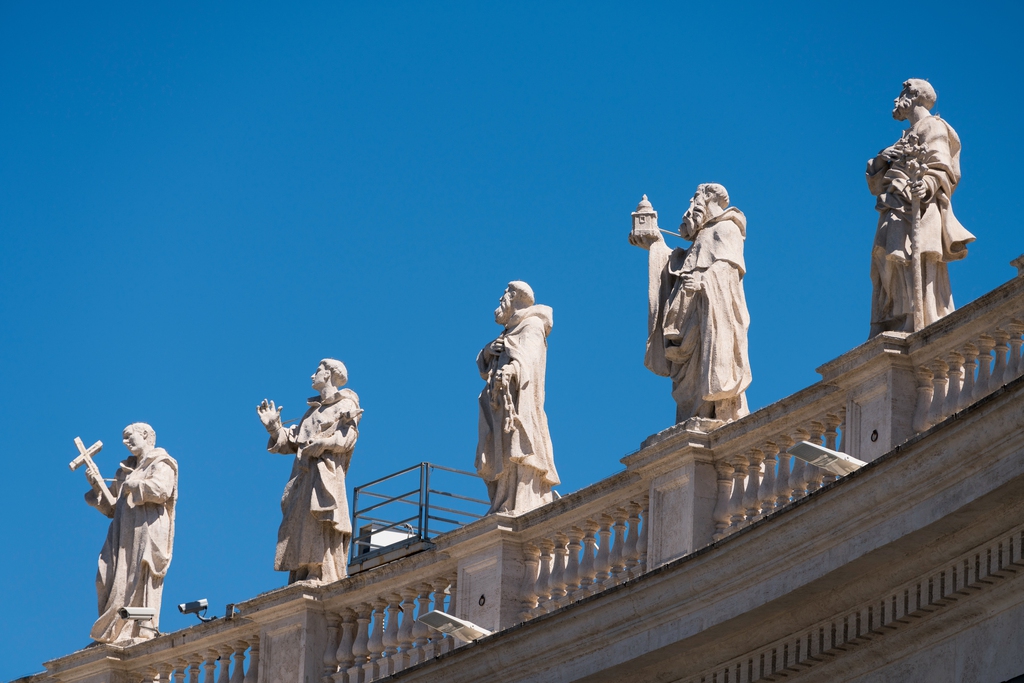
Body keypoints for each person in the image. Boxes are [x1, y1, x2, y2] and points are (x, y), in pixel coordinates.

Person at [629, 185, 752, 423]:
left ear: (708, 198)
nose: (691, 201)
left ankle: (715, 413)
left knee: (710, 361)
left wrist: (703, 282)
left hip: (708, 312)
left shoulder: (727, 228)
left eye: (695, 197)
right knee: (690, 380)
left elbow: (727, 274)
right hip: (688, 316)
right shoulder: (703, 235)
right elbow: (679, 266)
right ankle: (695, 416)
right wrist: (655, 244)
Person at [866, 78, 976, 336]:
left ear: (914, 95)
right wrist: (883, 159)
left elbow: (942, 165)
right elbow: (875, 183)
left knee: (912, 258)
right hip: (894, 207)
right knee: (887, 265)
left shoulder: (933, 126)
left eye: (902, 92)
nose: (896, 99)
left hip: (919, 208)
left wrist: (927, 184)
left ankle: (918, 317)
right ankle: (896, 318)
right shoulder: (902, 138)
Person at [257, 359, 361, 584]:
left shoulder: (346, 405)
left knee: (318, 520)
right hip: (303, 477)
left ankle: (319, 571)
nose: (312, 375)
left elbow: (348, 437)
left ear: (330, 374)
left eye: (317, 370)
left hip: (325, 475)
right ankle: (302, 571)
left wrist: (323, 444)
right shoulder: (311, 413)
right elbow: (292, 440)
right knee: (301, 522)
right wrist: (274, 427)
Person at [82, 422, 177, 643]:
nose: (125, 442)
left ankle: (143, 628)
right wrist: (98, 486)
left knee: (143, 573)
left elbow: (162, 491)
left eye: (129, 436)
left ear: (145, 435)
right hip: (122, 533)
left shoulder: (162, 463)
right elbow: (112, 508)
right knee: (105, 576)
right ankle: (114, 630)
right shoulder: (124, 471)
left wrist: (137, 484)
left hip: (148, 527)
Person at [476, 281, 560, 515]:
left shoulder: (531, 325)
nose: (501, 299)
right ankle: (502, 501)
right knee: (500, 451)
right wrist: (488, 351)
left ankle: (520, 502)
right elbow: (484, 368)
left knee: (519, 448)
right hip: (500, 404)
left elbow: (530, 359)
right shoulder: (508, 331)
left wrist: (512, 370)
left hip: (520, 404)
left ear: (516, 299)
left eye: (505, 295)